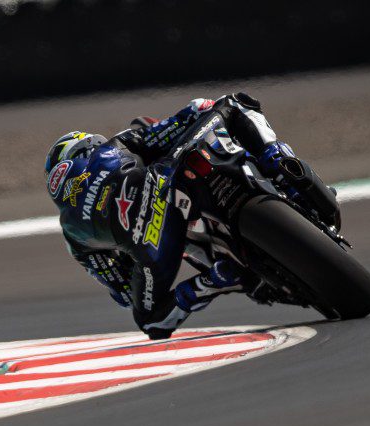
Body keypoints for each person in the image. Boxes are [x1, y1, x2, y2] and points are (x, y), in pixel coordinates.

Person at [45, 93, 299, 339]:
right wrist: (199, 111)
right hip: (169, 185)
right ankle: (279, 162)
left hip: (153, 240)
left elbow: (124, 293)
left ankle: (215, 280)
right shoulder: (113, 147)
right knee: (236, 102)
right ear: (90, 148)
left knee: (150, 320)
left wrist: (129, 250)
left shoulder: (74, 235)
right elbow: (186, 117)